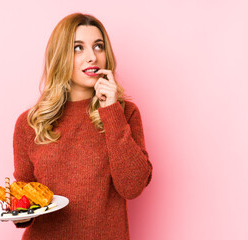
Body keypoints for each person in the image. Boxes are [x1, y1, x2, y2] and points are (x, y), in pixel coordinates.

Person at [12, 12, 152, 240]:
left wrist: (111, 111)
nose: (92, 57)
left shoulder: (124, 113)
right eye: (78, 48)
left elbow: (132, 187)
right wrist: (18, 213)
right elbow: (25, 196)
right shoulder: (30, 123)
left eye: (98, 47)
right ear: (60, 55)